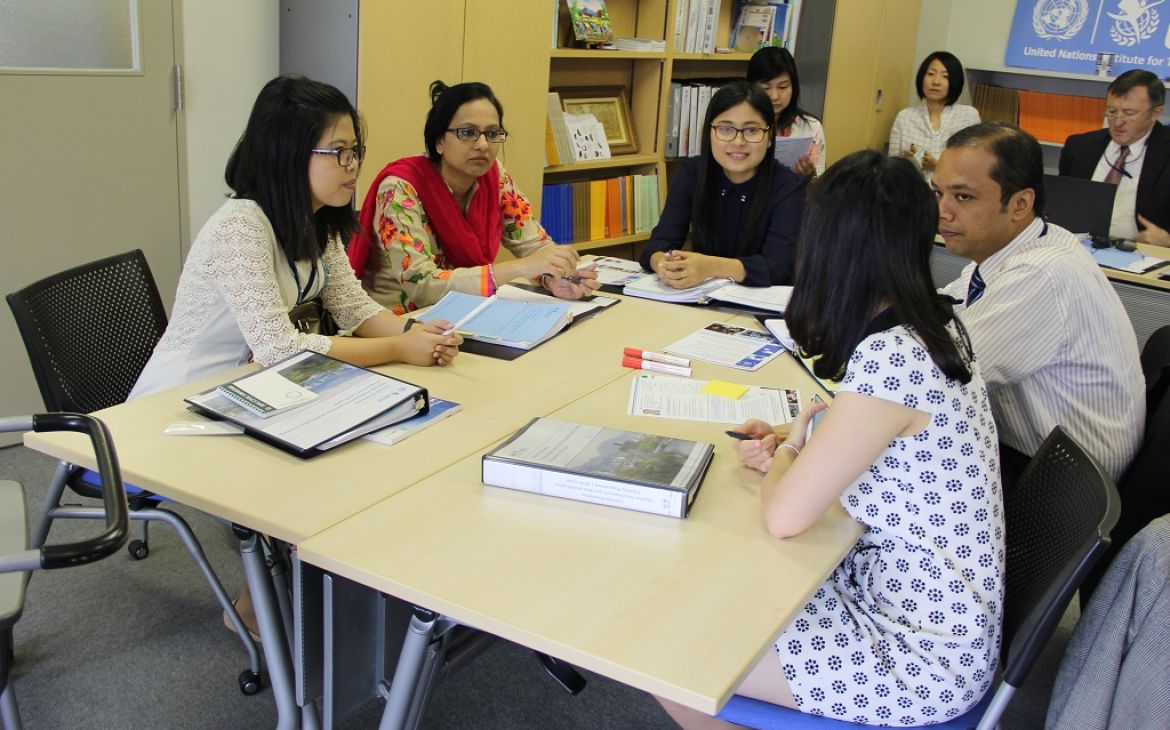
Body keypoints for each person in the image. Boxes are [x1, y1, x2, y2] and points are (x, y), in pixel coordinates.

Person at [658, 150, 1004, 727]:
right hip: (917, 603)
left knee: (671, 646)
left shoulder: (893, 357)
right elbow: (877, 441)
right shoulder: (934, 322)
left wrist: (793, 450)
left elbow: (786, 516)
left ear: (834, 251)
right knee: (722, 583)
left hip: (918, 655)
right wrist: (802, 440)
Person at [130, 75, 461, 401]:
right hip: (181, 399)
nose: (354, 165)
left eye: (355, 150)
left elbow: (353, 309)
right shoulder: (239, 227)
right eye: (339, 152)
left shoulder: (316, 219)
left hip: (252, 390)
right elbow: (281, 349)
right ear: (288, 155)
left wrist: (417, 334)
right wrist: (398, 348)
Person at [934, 122, 1144, 483]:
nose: (943, 212)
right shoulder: (1025, 243)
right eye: (938, 193)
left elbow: (938, 374)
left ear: (1019, 204)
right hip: (1035, 454)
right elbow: (945, 308)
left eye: (963, 197)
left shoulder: (1041, 274)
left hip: (1061, 487)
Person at [348, 81, 599, 314]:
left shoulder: (494, 177)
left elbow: (534, 244)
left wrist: (556, 278)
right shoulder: (400, 188)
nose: (483, 145)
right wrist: (520, 268)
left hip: (469, 312)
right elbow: (420, 284)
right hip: (402, 322)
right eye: (467, 133)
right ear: (438, 142)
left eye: (492, 133)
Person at [640, 81, 806, 289]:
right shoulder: (692, 174)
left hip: (761, 306)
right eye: (726, 129)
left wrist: (710, 266)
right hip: (702, 299)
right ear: (709, 133)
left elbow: (778, 267)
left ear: (769, 137)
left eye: (751, 130)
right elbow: (658, 244)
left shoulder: (789, 187)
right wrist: (662, 264)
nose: (738, 142)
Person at [1059, 69, 1170, 246]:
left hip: (1143, 261)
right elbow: (1060, 208)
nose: (1118, 122)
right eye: (1111, 111)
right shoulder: (1079, 147)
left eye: (1129, 113)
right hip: (1077, 253)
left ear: (1155, 113)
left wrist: (1168, 241)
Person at [889, 51, 981, 182]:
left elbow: (975, 168)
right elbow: (891, 169)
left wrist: (936, 166)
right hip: (913, 195)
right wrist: (908, 166)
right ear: (922, 78)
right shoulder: (905, 117)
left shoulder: (968, 116)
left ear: (955, 81)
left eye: (945, 76)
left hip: (952, 196)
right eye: (931, 74)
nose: (936, 82)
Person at [746, 45, 825, 177]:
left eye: (783, 87)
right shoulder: (738, 124)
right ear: (751, 87)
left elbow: (821, 186)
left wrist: (810, 175)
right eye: (766, 88)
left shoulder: (810, 127)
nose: (775, 96)